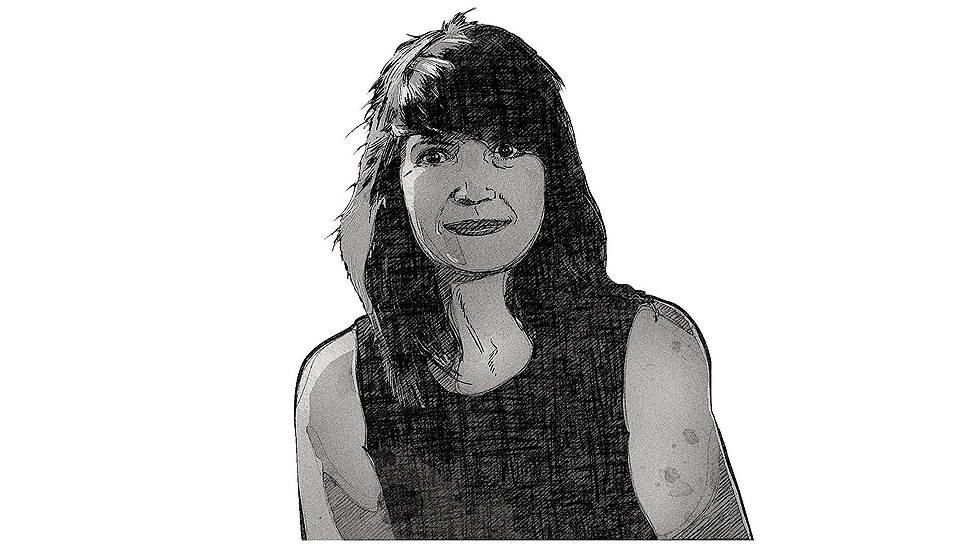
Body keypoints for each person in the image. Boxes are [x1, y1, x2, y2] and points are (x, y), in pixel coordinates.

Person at [295, 12, 751, 540]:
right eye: (435, 154)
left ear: (551, 171)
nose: (472, 189)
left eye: (505, 151)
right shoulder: (339, 385)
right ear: (392, 183)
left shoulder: (648, 348)